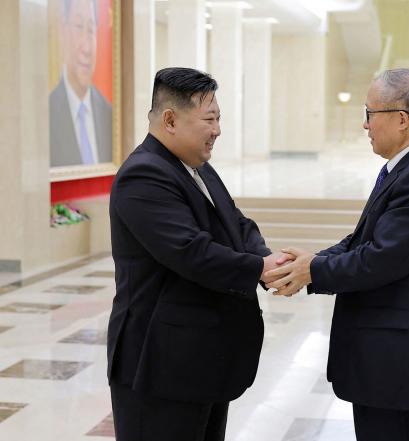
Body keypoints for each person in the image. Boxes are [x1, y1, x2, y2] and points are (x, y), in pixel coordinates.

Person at [266, 68, 409, 441]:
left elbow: (380, 259)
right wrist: (311, 262)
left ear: (402, 119)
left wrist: (314, 272)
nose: (365, 125)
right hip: (389, 361)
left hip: (396, 365)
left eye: (370, 114)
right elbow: (363, 239)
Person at [107, 67, 290, 441]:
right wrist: (258, 268)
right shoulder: (143, 174)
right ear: (170, 119)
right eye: (210, 119)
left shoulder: (197, 167)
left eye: (219, 118)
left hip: (200, 361)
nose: (218, 130)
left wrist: (267, 259)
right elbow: (191, 252)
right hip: (159, 365)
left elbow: (237, 223)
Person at [49, 0, 112, 167]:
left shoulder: (109, 113)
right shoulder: (46, 113)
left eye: (91, 30)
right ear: (63, 31)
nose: (87, 47)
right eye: (78, 26)